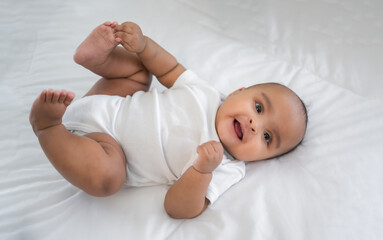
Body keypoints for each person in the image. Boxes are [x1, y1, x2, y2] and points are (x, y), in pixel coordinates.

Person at [29, 21, 307, 219]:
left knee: (107, 180)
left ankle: (47, 127)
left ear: (262, 159)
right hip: (109, 101)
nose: (255, 125)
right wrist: (144, 45)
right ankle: (96, 59)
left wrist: (201, 171)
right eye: (258, 107)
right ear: (237, 92)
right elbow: (169, 67)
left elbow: (177, 208)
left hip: (101, 148)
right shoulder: (206, 93)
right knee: (141, 73)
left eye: (267, 138)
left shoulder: (226, 167)